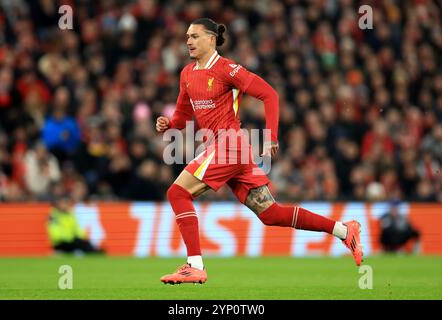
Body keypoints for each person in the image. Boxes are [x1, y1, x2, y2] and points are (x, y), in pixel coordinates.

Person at [155, 18, 363, 285]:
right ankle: (345, 231)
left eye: (194, 36)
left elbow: (269, 95)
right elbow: (183, 115)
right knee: (271, 214)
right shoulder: (187, 73)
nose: (188, 41)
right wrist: (169, 124)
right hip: (226, 150)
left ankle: (194, 265)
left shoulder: (227, 69)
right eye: (187, 36)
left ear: (211, 39)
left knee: (177, 192)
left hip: (229, 145)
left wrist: (272, 136)